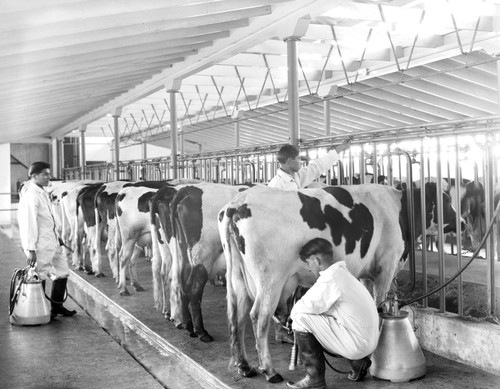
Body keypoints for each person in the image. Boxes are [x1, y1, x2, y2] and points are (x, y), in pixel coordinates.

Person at [287, 238, 379, 389]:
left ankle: (314, 380)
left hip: (357, 344)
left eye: (308, 263)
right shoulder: (342, 273)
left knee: (300, 319)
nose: (309, 269)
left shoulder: (330, 279)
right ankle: (358, 364)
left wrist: (291, 318)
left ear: (316, 260)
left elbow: (299, 309)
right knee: (325, 316)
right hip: (369, 343)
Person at [17, 161, 77, 320]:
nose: (48, 177)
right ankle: (40, 310)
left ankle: (56, 307)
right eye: (45, 174)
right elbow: (29, 224)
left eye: (48, 174)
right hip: (40, 244)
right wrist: (30, 249)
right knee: (40, 275)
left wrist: (58, 238)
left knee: (63, 272)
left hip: (53, 242)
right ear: (34, 176)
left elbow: (48, 219)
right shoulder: (31, 195)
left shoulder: (43, 192)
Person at [268, 139, 351, 190]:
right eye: (298, 158)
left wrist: (339, 149)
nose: (300, 161)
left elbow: (317, 166)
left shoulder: (296, 176)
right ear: (289, 160)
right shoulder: (275, 185)